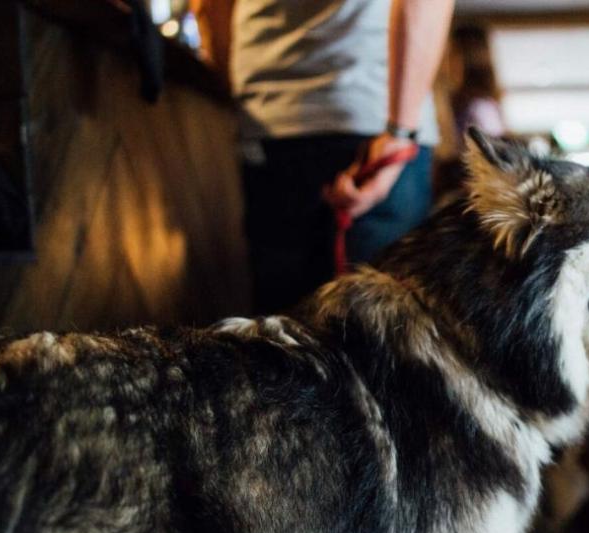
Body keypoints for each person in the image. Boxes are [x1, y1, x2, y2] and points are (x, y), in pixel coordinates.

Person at [195, 0, 455, 314]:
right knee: (383, 338)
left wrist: (243, 97)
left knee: (283, 333)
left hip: (271, 120)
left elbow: (210, 8)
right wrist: (400, 131)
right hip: (375, 119)